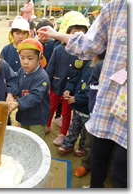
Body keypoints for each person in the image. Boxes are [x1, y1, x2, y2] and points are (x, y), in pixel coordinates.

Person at [37, 0, 127, 188]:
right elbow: (84, 52)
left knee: (120, 170)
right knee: (97, 153)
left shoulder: (94, 65)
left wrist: (77, 97)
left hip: (109, 110)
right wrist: (55, 34)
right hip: (104, 106)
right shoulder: (116, 7)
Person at [44, 15, 90, 145]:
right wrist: (47, 84)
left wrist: (74, 90)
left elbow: (82, 74)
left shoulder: (84, 54)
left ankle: (62, 134)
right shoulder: (58, 49)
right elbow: (50, 67)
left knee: (66, 112)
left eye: (82, 34)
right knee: (50, 107)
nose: (77, 37)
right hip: (55, 85)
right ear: (68, 33)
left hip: (70, 91)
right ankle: (47, 126)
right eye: (74, 33)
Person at [9, 39, 50, 139]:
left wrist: (17, 103)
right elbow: (15, 82)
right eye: (22, 58)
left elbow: (36, 96)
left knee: (36, 141)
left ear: (40, 58)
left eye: (30, 58)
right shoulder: (21, 71)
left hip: (37, 118)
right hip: (24, 115)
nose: (25, 62)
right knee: (24, 138)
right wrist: (11, 94)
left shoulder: (42, 77)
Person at [74, 51, 106, 178]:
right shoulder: (99, 66)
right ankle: (86, 164)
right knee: (90, 141)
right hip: (98, 112)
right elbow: (89, 88)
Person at [57, 59, 93, 156]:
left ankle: (82, 147)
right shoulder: (88, 63)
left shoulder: (101, 69)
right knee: (73, 128)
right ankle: (68, 145)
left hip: (88, 111)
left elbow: (93, 92)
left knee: (85, 132)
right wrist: (68, 89)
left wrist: (77, 98)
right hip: (77, 109)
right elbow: (75, 78)